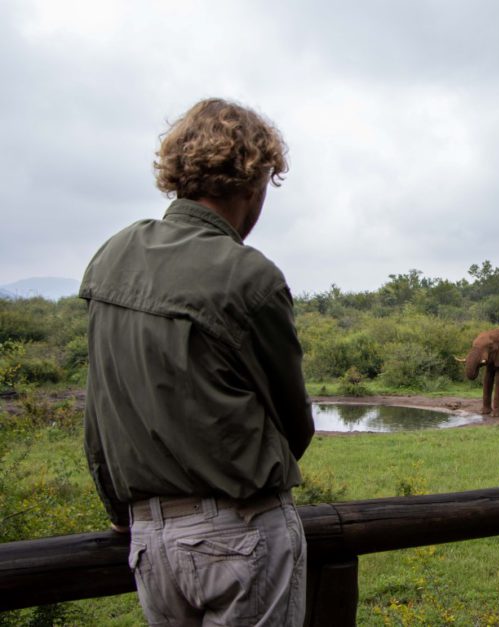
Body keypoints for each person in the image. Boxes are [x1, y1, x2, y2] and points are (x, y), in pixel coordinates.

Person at [81, 98, 314, 626]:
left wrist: (124, 514)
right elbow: (292, 421)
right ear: (255, 184)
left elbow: (99, 411)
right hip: (240, 532)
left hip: (149, 540)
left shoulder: (112, 255)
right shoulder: (249, 275)